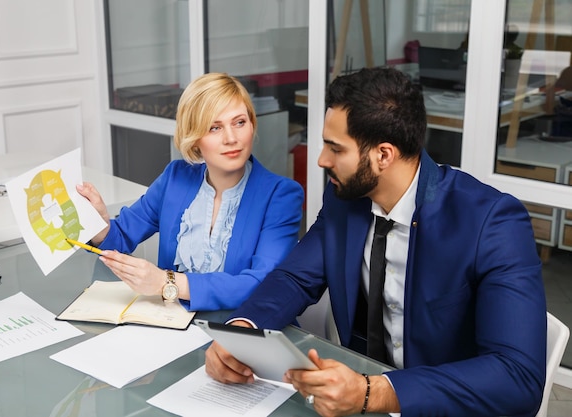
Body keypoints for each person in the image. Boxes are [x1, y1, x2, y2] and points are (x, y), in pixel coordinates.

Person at [204, 67, 547, 416]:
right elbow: (294, 277)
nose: (322, 160)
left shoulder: (493, 222)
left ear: (383, 155)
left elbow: (517, 377)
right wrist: (242, 332)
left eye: (335, 148)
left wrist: (375, 392)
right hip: (350, 395)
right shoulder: (345, 199)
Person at [77, 72, 304, 311]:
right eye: (215, 127)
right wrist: (101, 226)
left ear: (252, 124)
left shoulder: (281, 195)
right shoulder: (175, 178)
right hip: (173, 324)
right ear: (194, 138)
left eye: (239, 122)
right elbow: (121, 237)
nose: (231, 138)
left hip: (243, 330)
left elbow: (262, 283)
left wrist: (167, 282)